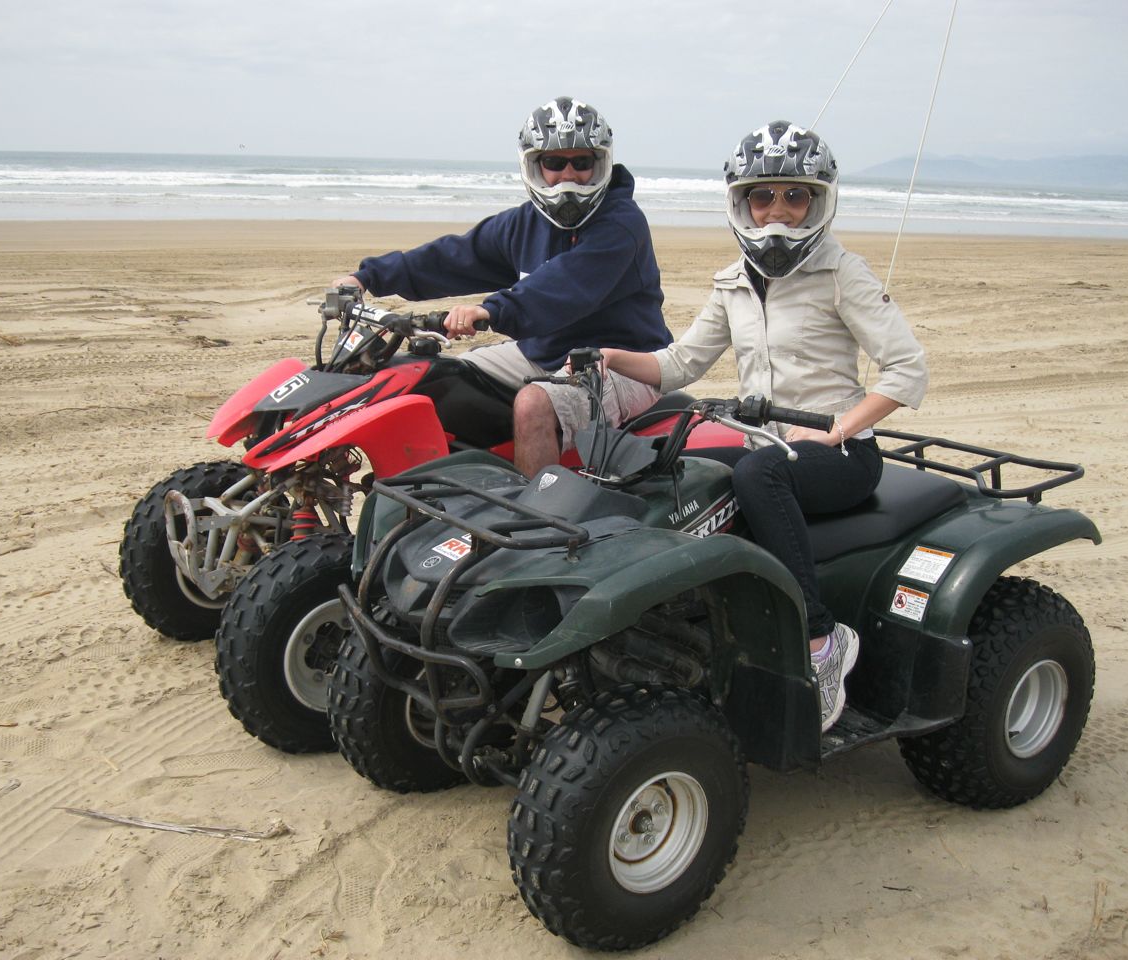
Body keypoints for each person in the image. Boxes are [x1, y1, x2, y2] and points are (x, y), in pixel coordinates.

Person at [602, 120, 929, 732]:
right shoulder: (732, 282)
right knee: (678, 473)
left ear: (817, 201)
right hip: (769, 448)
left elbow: (906, 367)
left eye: (794, 196)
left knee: (755, 473)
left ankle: (820, 636)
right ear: (742, 204)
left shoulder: (842, 273)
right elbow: (679, 364)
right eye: (763, 197)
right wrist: (610, 358)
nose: (777, 211)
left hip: (841, 455)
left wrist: (836, 430)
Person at [331, 96, 671, 476]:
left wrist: (491, 309)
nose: (569, 175)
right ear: (535, 165)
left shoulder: (621, 224)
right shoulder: (523, 224)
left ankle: (536, 526)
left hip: (625, 362)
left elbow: (564, 286)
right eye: (555, 163)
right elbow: (453, 257)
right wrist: (367, 277)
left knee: (533, 405)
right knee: (434, 380)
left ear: (601, 164)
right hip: (542, 353)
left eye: (582, 162)